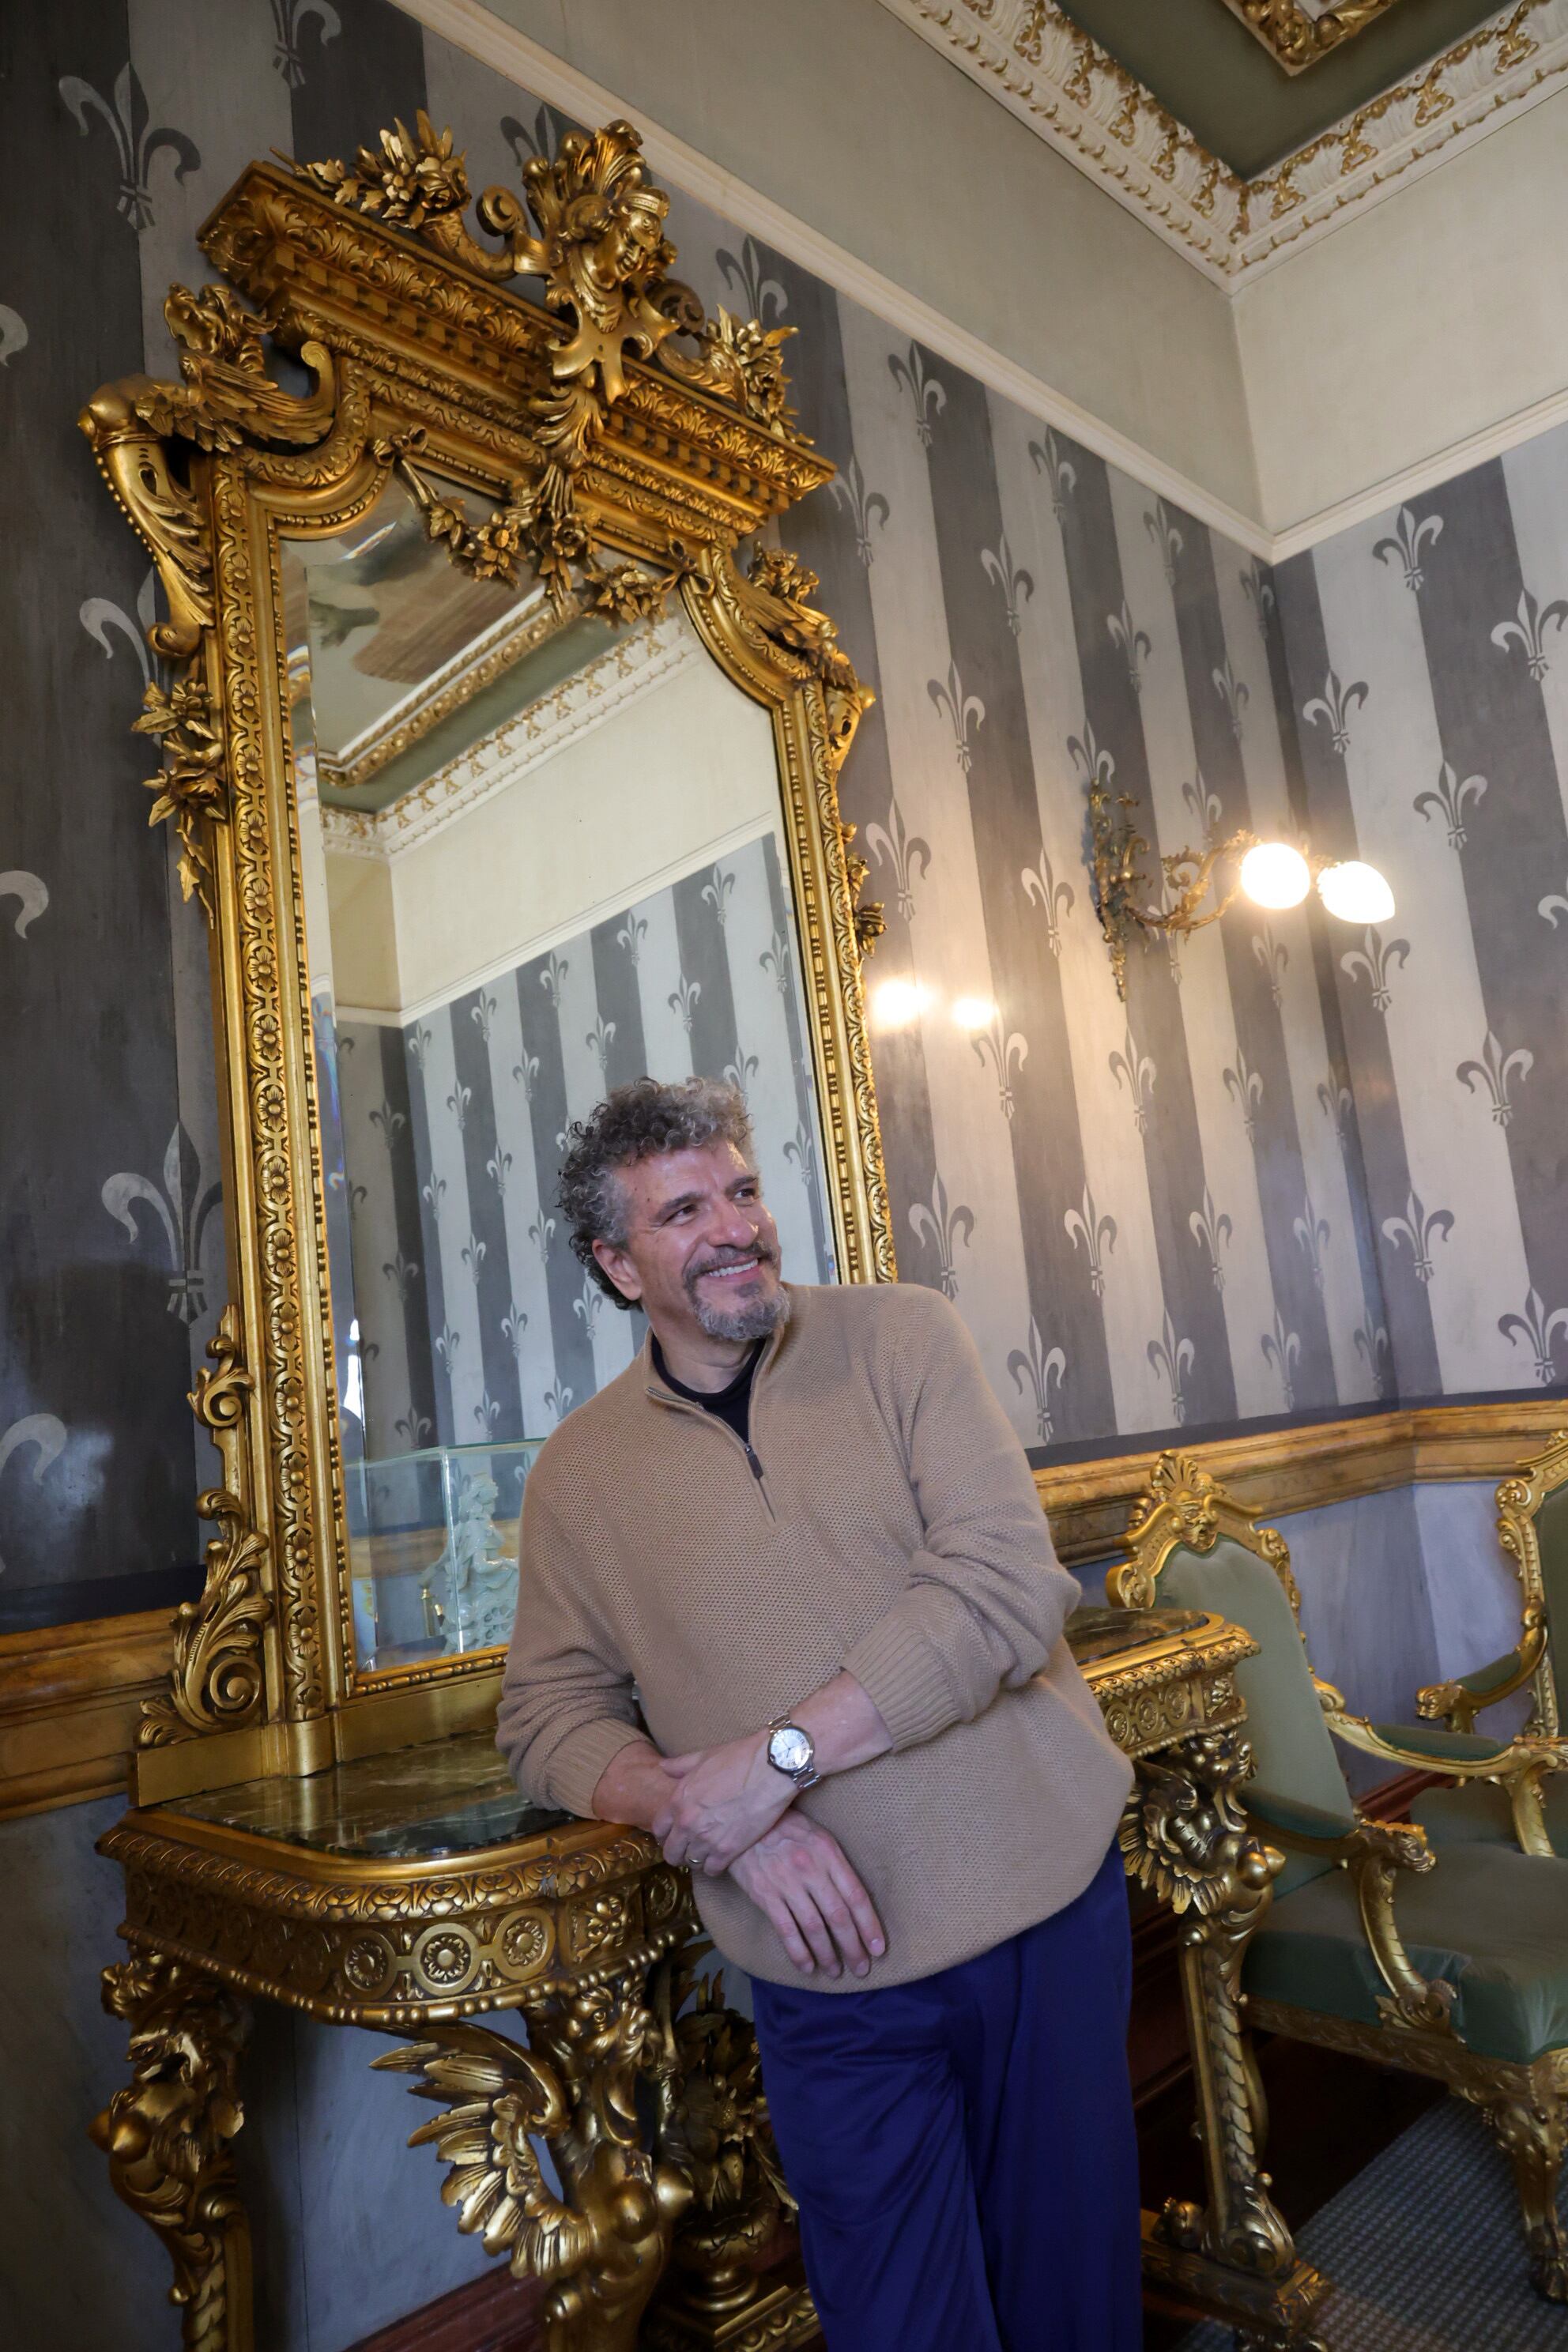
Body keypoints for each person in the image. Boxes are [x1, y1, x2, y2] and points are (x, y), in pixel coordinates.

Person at [497, 1076, 1141, 2351]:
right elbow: (546, 1714)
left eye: (742, 1191)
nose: (737, 1226)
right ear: (618, 1266)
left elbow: (1007, 1587)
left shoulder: (903, 1335)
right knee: (898, 2322)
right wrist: (706, 1810)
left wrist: (777, 1761)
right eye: (686, 1210)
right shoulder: (577, 1475)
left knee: (1071, 2300)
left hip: (1041, 1905)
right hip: (826, 1971)